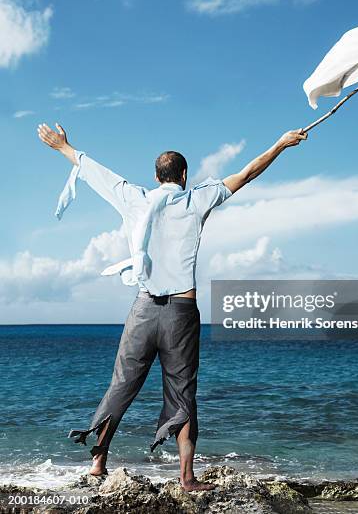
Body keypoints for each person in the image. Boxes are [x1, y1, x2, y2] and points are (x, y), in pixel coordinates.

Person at [37, 122, 307, 491]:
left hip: (144, 310)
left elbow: (91, 169)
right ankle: (186, 477)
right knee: (182, 392)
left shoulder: (134, 198)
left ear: (155, 176)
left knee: (121, 385)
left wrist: (63, 147)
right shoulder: (198, 199)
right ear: (184, 175)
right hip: (181, 311)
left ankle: (98, 463)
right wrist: (281, 143)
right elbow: (248, 172)